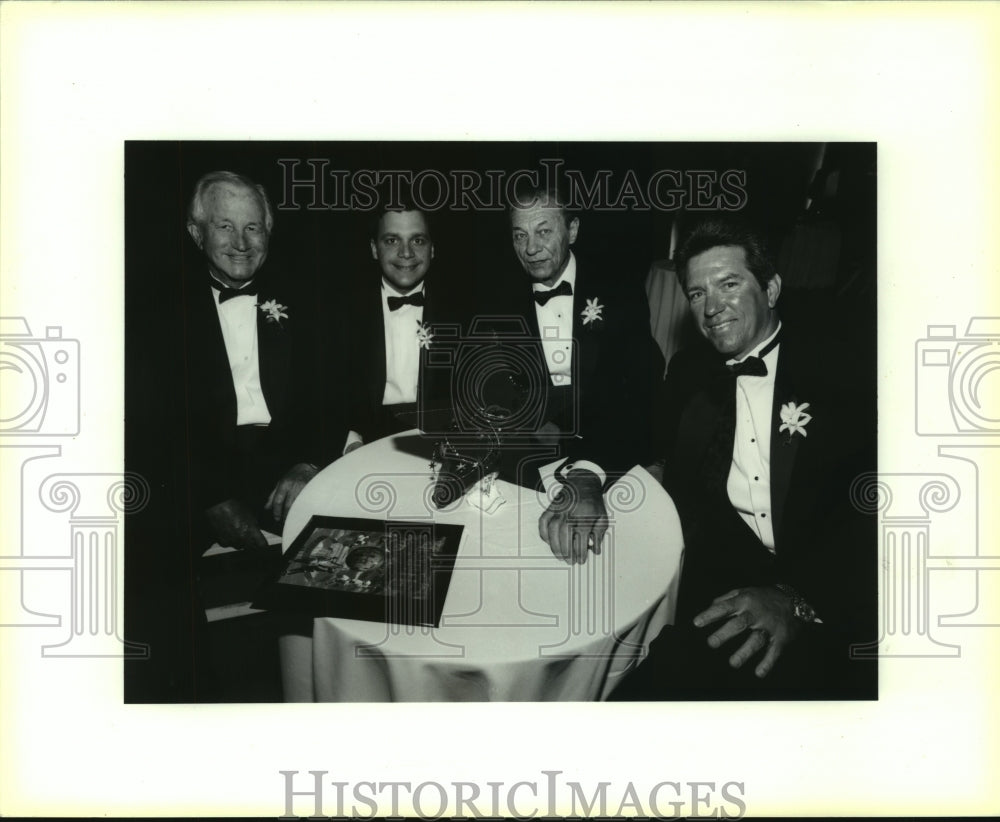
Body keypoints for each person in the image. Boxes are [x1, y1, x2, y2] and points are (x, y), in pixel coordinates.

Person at [611, 218, 876, 700]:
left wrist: (798, 601)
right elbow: (661, 465)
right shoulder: (689, 373)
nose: (711, 308)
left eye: (728, 284)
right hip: (723, 589)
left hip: (838, 603)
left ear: (771, 288)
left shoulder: (844, 370)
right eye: (695, 294)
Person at [489, 179, 663, 564]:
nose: (530, 248)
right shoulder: (498, 297)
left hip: (610, 455)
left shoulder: (618, 290)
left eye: (544, 231)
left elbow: (638, 389)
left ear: (573, 229)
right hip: (529, 465)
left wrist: (589, 470)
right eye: (519, 235)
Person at [181, 170, 324, 551]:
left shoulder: (307, 300)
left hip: (286, 473)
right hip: (194, 479)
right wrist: (208, 497)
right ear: (197, 234)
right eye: (225, 226)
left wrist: (308, 462)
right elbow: (153, 427)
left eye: (253, 228)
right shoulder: (161, 312)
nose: (241, 243)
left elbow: (332, 394)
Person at [341, 202, 465, 451]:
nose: (406, 252)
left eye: (418, 240)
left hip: (441, 442)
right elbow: (328, 397)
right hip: (366, 441)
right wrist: (351, 442)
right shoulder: (342, 313)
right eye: (392, 241)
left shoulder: (463, 312)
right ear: (374, 249)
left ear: (432, 249)